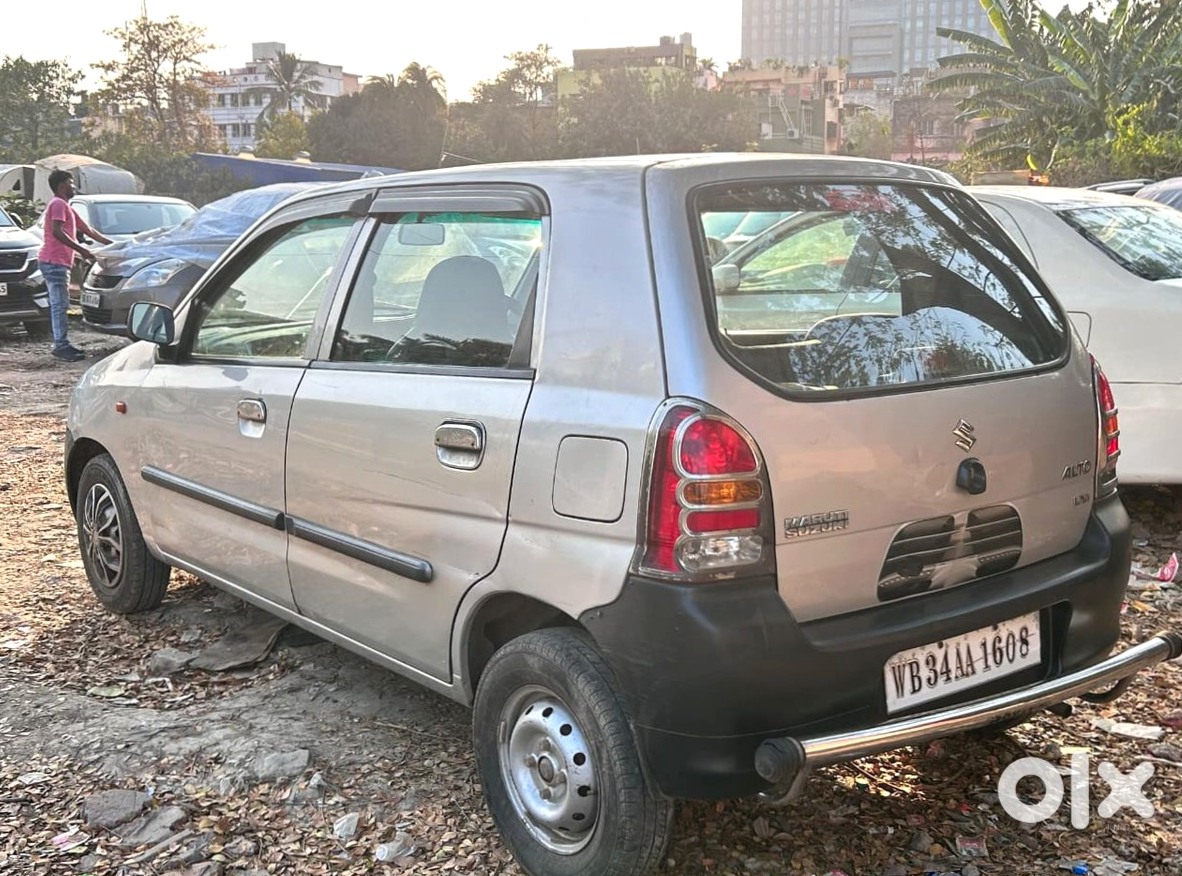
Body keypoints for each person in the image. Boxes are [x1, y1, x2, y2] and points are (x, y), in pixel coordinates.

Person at [38, 170, 111, 362]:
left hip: (58, 262)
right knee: (59, 304)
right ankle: (61, 346)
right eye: (71, 183)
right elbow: (57, 232)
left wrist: (112, 245)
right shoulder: (58, 204)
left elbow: (88, 230)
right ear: (62, 185)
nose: (74, 187)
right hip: (54, 261)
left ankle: (62, 343)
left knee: (60, 304)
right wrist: (82, 250)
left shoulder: (67, 207)